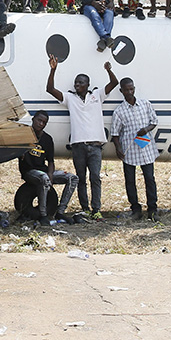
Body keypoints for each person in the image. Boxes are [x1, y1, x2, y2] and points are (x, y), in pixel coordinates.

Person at [46, 55, 118, 220]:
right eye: (76, 83)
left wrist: (109, 70)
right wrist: (53, 70)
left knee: (95, 178)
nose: (77, 85)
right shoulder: (70, 98)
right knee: (81, 179)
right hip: (78, 146)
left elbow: (114, 84)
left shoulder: (97, 96)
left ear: (88, 85)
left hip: (95, 146)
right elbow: (50, 89)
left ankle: (96, 209)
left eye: (80, 83)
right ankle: (85, 208)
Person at [110, 77, 160, 222]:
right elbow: (115, 133)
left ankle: (152, 209)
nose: (129, 92)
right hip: (129, 151)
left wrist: (146, 129)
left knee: (150, 179)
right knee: (130, 181)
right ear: (121, 91)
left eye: (131, 89)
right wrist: (118, 148)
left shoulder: (145, 104)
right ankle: (136, 209)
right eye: (126, 90)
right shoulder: (119, 111)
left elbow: (154, 121)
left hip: (146, 148)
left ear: (134, 88)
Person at [19, 110, 79, 225]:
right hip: (30, 172)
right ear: (33, 120)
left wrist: (51, 175)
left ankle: (60, 212)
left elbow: (50, 161)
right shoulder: (24, 135)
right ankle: (43, 215)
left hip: (44, 171)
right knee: (44, 178)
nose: (41, 124)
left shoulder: (47, 139)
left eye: (44, 122)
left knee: (73, 178)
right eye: (39, 120)